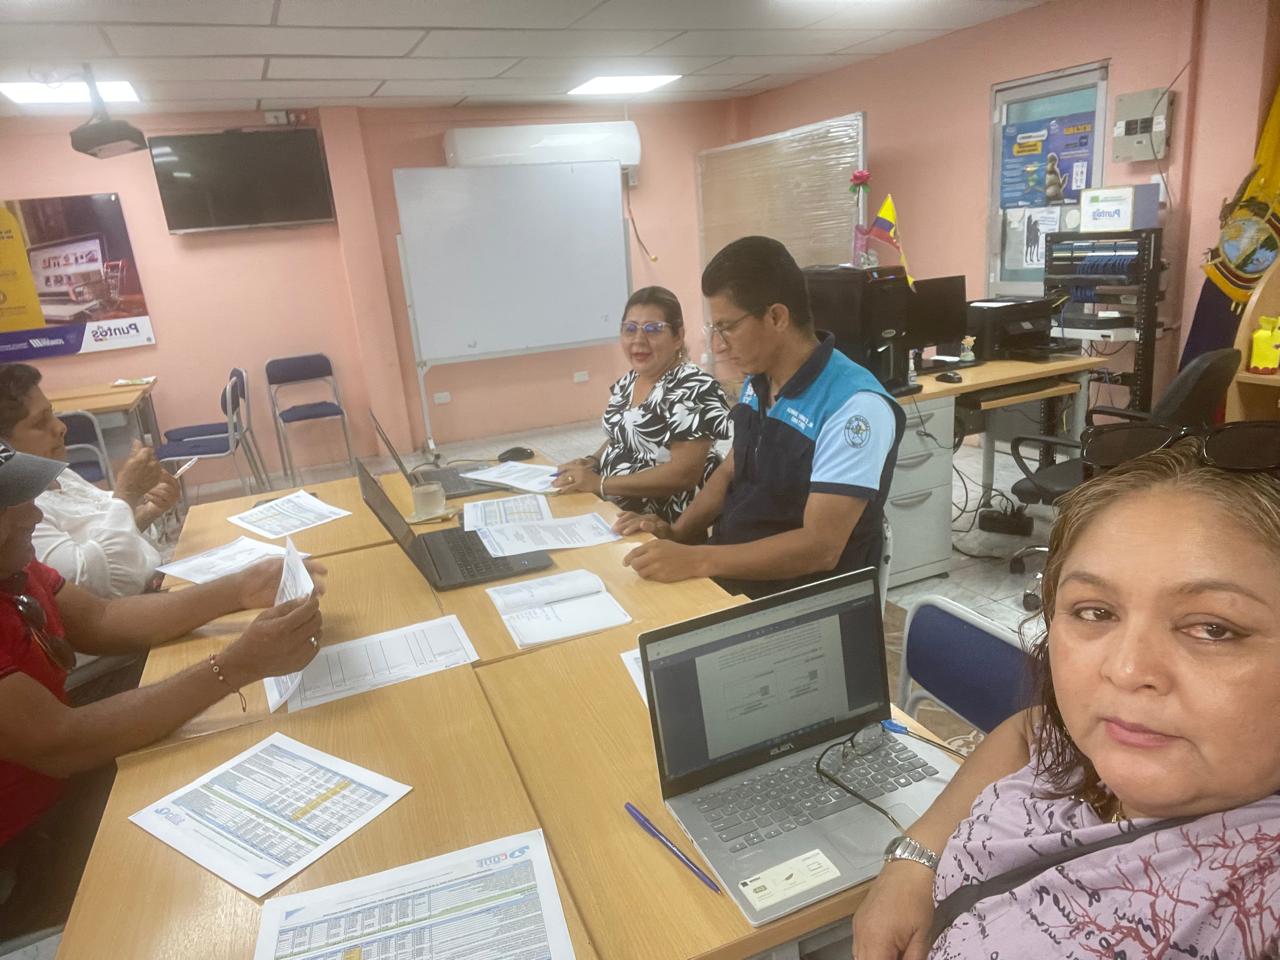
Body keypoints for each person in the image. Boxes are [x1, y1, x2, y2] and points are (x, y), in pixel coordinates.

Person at [852, 435, 1280, 959]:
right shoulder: (1096, 746)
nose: (1126, 670)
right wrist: (913, 862)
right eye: (1095, 611)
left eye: (1213, 628)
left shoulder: (1255, 895)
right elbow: (1032, 727)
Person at [0, 440, 324, 938]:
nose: (34, 514)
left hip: (70, 785)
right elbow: (62, 743)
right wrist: (235, 666)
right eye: (8, 506)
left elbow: (103, 618)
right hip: (27, 845)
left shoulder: (13, 567)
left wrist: (240, 588)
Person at [615, 236, 905, 598]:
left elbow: (820, 547)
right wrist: (676, 533)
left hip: (801, 601)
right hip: (734, 575)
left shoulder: (854, 407)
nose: (719, 345)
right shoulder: (759, 381)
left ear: (777, 317)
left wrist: (698, 559)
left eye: (727, 327)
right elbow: (729, 471)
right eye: (715, 330)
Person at [553, 286, 731, 524]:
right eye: (630, 329)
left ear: (678, 336)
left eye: (653, 329)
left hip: (661, 523)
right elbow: (622, 433)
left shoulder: (694, 387)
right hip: (612, 509)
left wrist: (601, 483)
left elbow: (684, 474)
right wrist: (593, 462)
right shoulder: (631, 380)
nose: (638, 339)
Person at [0, 363, 179, 597]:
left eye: (52, 414)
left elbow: (103, 537)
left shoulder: (60, 475)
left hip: (154, 583)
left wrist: (148, 511)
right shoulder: (19, 512)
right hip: (131, 604)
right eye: (40, 423)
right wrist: (126, 495)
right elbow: (98, 584)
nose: (61, 427)